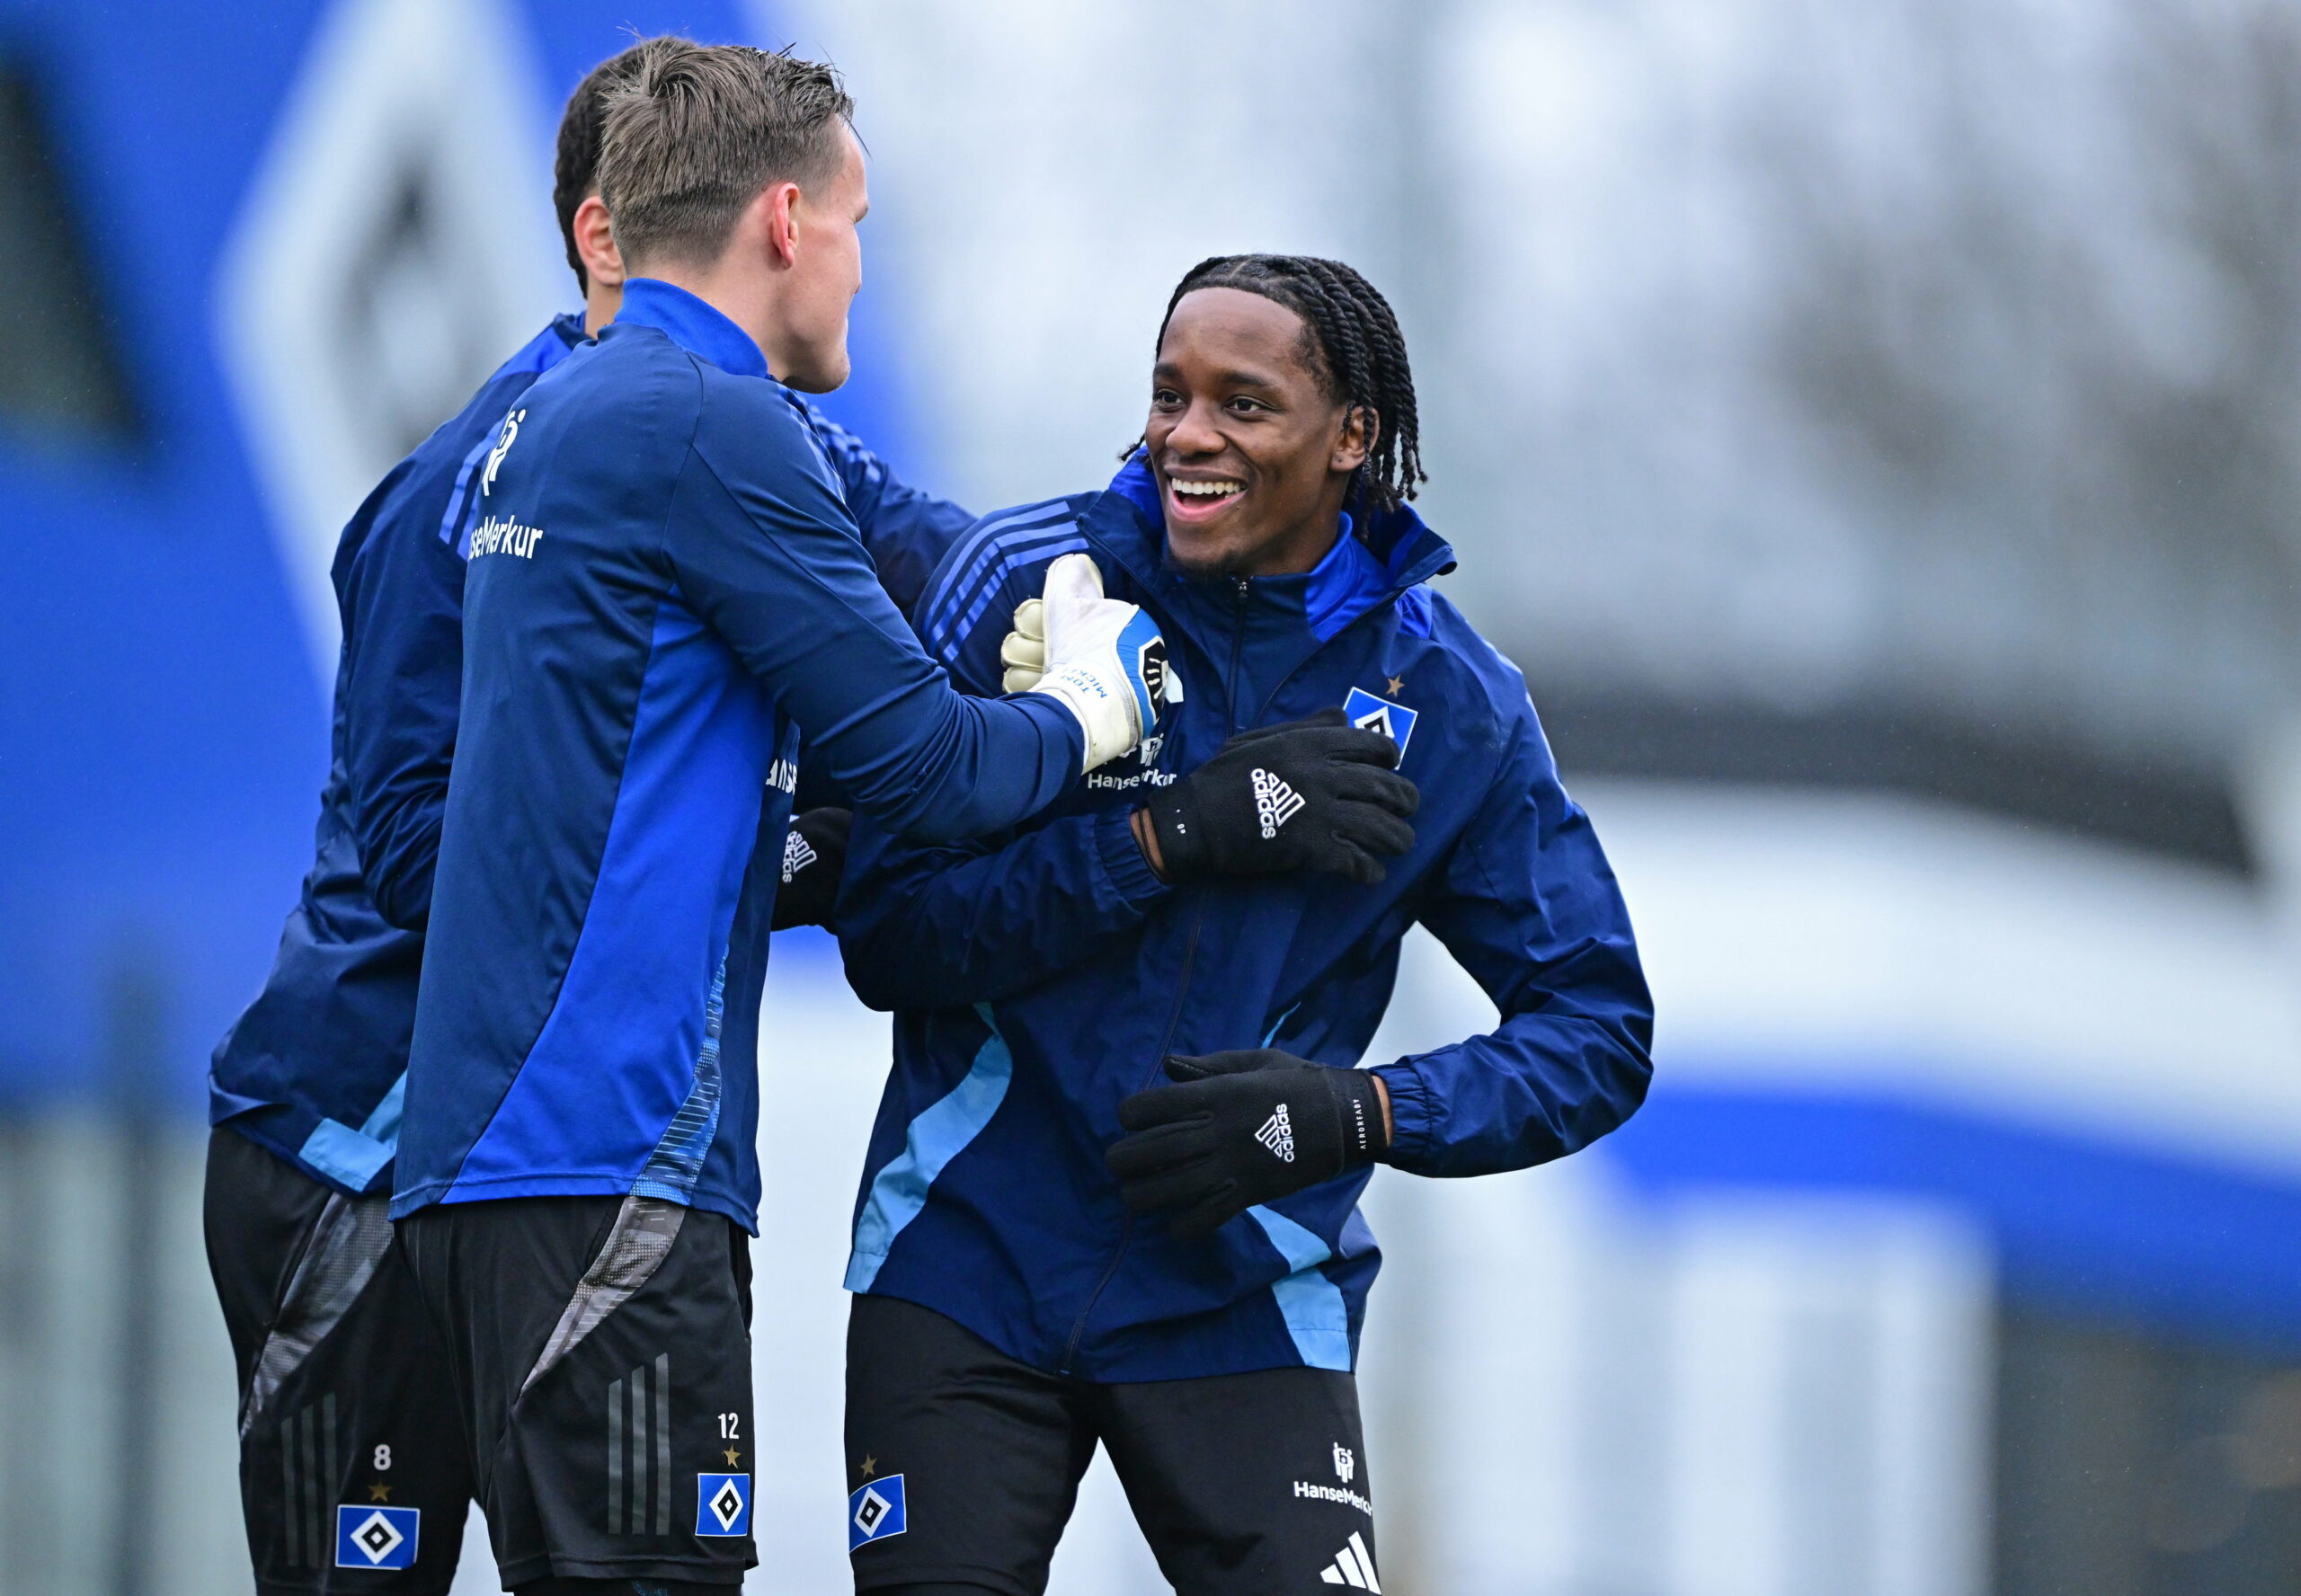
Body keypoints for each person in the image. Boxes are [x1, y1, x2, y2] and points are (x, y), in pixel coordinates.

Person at [386, 40, 1179, 1595]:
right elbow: (932, 768)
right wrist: (1097, 706)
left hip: (499, 1168)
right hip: (610, 1160)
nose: (866, 271)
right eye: (861, 222)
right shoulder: (709, 420)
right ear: (785, 222)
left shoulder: (573, 402)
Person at [201, 38, 971, 1595]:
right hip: (356, 1139)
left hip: (510, 1159)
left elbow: (958, 565)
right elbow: (437, 853)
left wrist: (1182, 578)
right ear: (597, 236)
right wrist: (751, 848)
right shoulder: (470, 484)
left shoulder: (747, 428)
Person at [834, 255, 1656, 1596]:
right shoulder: (1024, 588)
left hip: (1246, 1299)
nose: (1189, 436)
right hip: (966, 1263)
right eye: (1169, 394)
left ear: (1352, 440)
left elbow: (1599, 1033)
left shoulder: (1449, 700)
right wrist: (1163, 837)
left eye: (1243, 403)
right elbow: (892, 931)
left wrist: (1352, 1116)